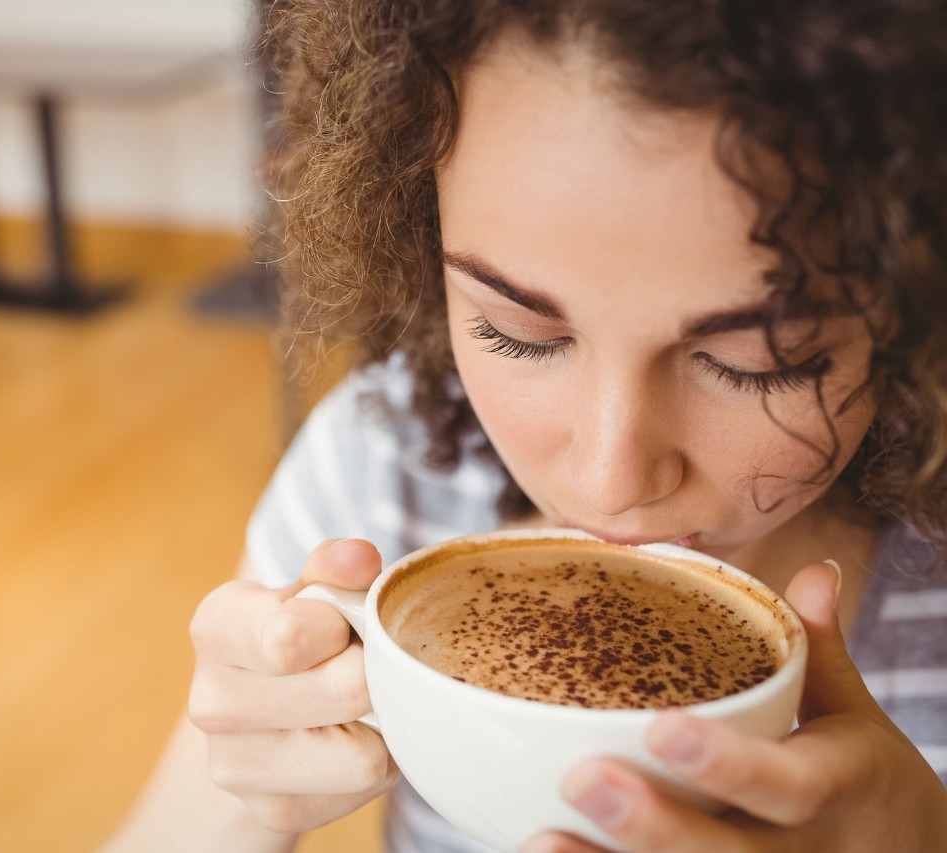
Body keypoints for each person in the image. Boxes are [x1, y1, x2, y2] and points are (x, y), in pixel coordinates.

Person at [104, 1, 947, 850]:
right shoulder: (383, 471)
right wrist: (239, 797)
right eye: (518, 331)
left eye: (757, 361)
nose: (609, 482)